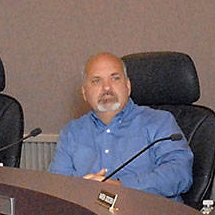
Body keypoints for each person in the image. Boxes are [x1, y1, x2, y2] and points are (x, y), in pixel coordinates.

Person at [47, 52, 193, 200]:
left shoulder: (160, 122)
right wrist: (83, 190)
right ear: (84, 93)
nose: (106, 88)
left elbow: (179, 174)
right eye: (96, 81)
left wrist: (119, 187)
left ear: (128, 86)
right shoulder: (72, 132)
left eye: (115, 78)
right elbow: (57, 187)